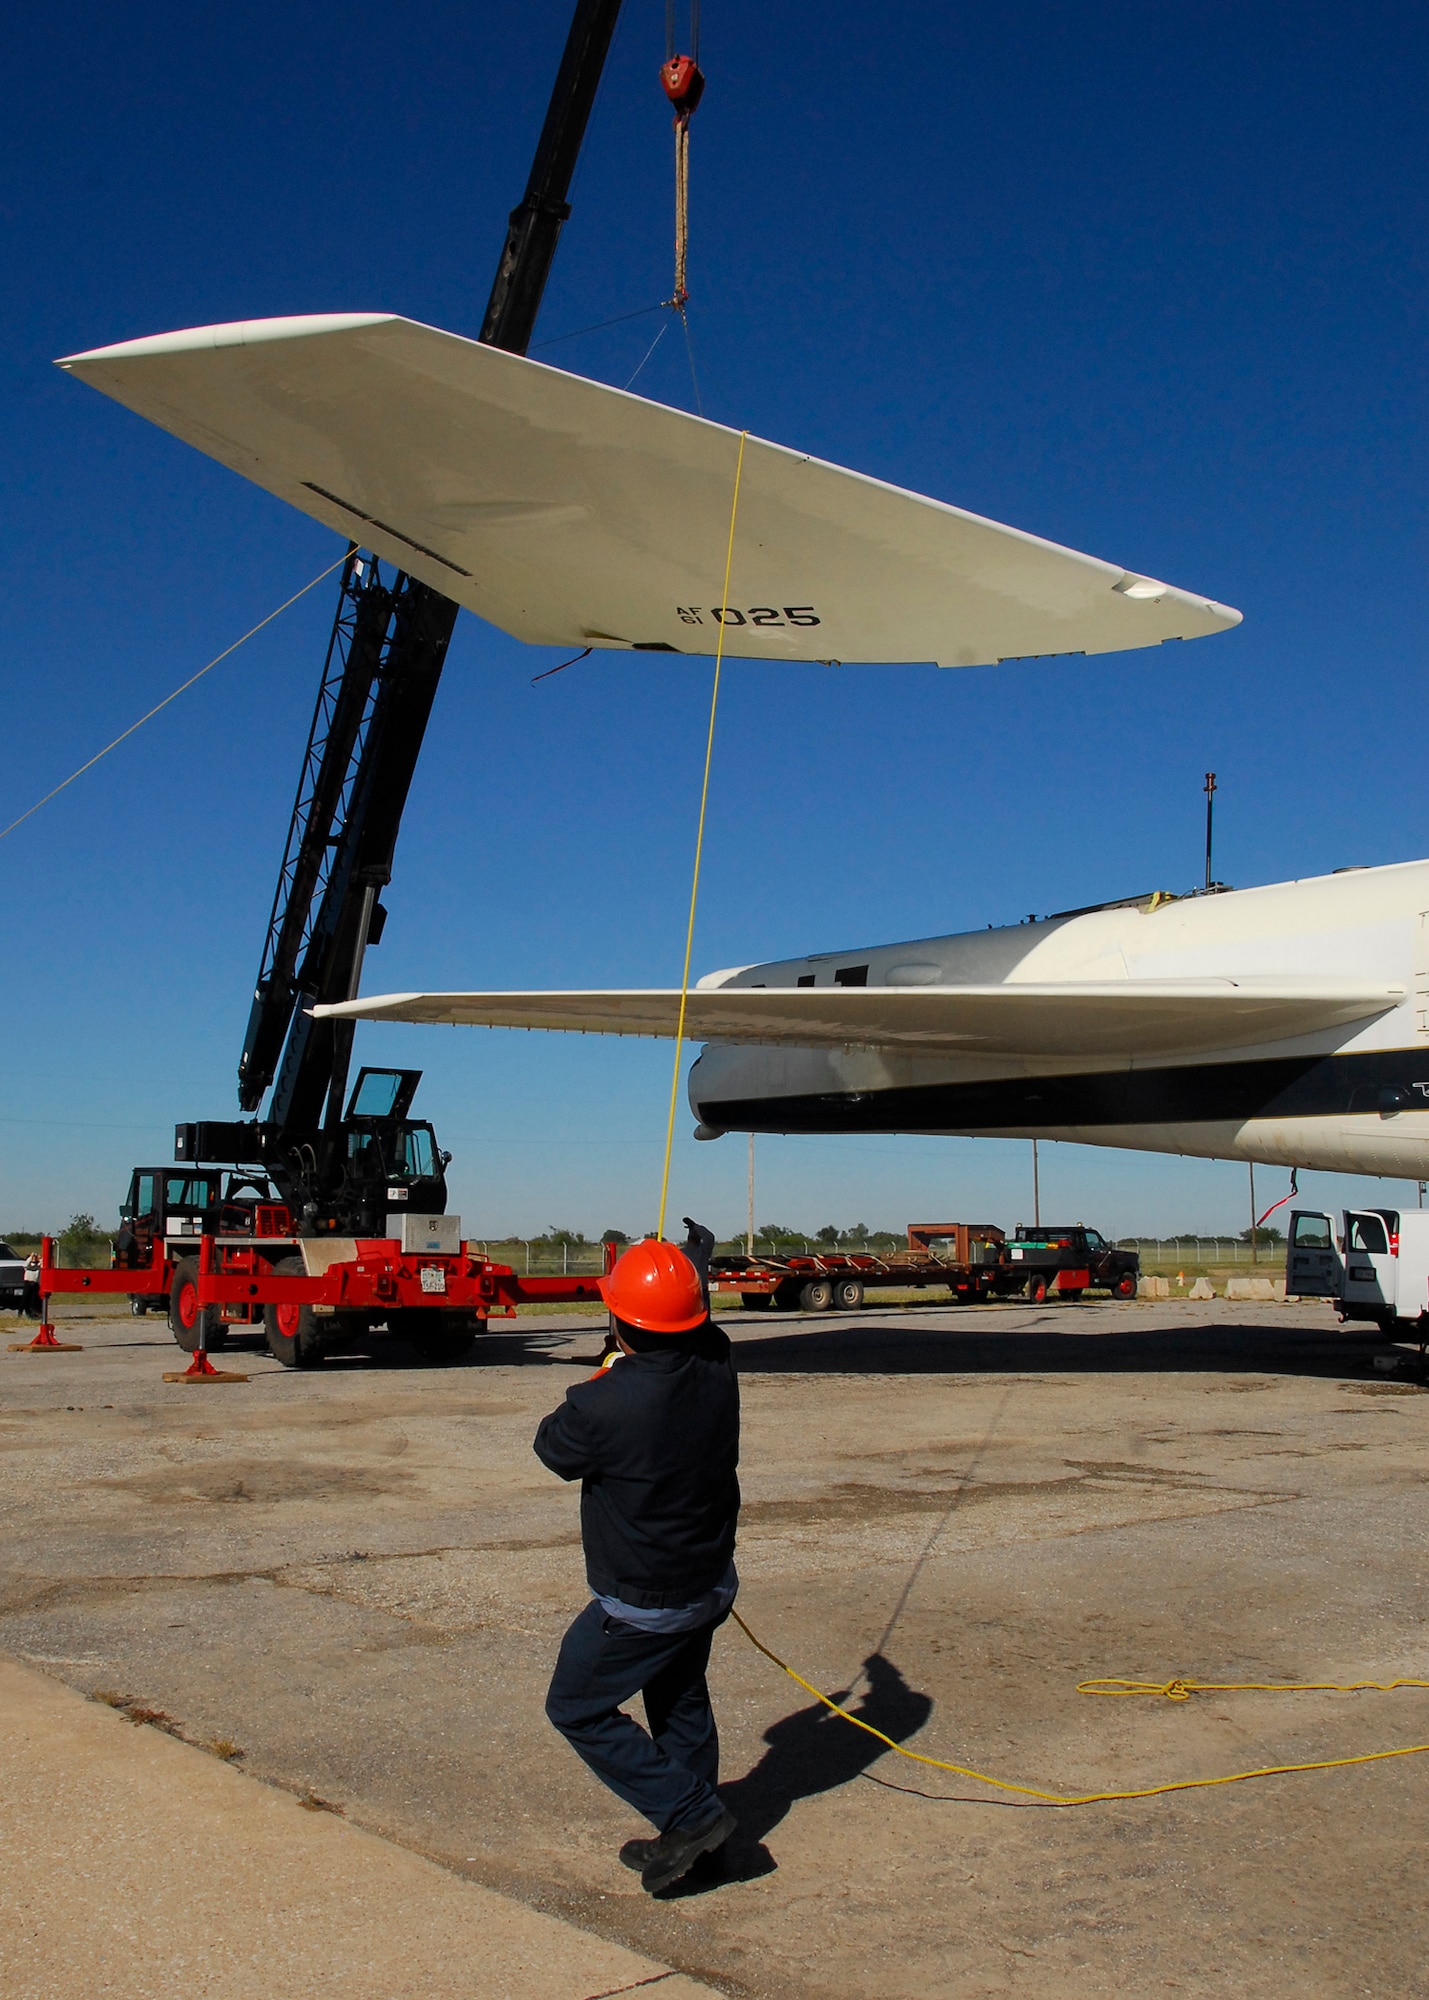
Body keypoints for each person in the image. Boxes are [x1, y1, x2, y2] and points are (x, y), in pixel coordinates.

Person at [534, 1230, 740, 1896]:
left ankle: (692, 1813)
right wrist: (690, 1266)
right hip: (708, 1581)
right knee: (679, 1703)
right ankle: (696, 1847)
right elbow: (695, 1326)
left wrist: (606, 1368)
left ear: (619, 1321)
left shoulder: (604, 1404)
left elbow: (551, 1448)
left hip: (644, 1602)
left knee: (575, 1706)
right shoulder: (717, 1363)